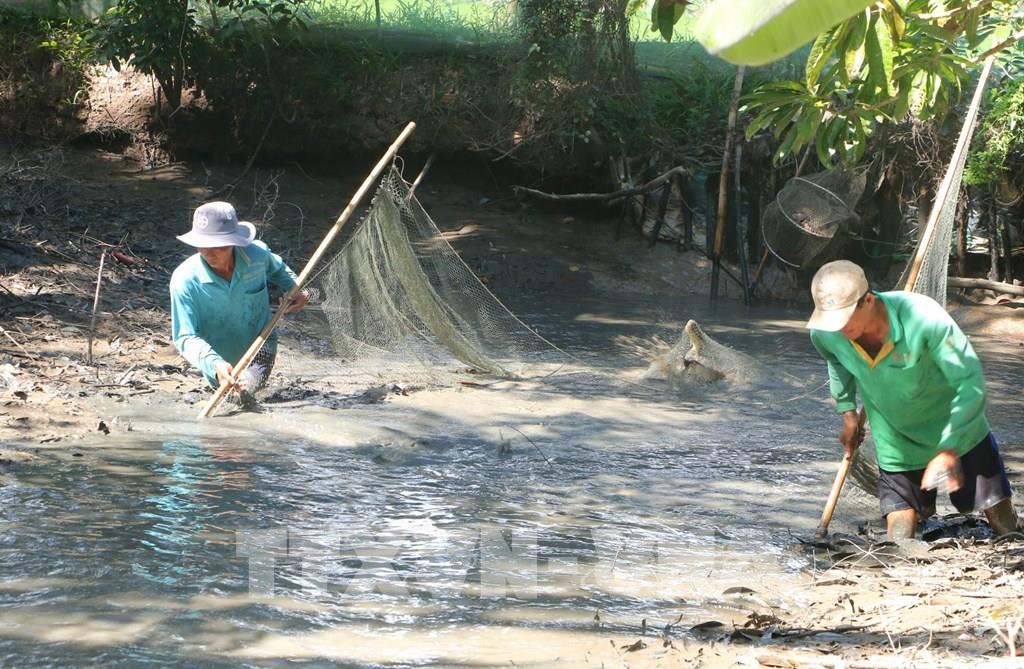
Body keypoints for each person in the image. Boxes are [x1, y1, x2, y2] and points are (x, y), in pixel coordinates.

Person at [806, 259, 1019, 539]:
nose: (839, 330)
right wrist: (847, 414)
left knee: (1002, 522)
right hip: (896, 441)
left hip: (959, 430)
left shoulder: (924, 317)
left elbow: (970, 382)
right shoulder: (826, 334)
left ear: (868, 301)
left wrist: (949, 448)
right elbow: (837, 361)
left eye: (845, 320)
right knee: (899, 538)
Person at [170, 201, 308, 401]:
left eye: (217, 246)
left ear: (233, 242)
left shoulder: (257, 255)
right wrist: (214, 364)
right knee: (227, 401)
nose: (208, 253)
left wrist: (296, 289)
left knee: (245, 395)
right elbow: (185, 336)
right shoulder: (185, 280)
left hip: (261, 347)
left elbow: (279, 271)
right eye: (202, 245)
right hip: (216, 360)